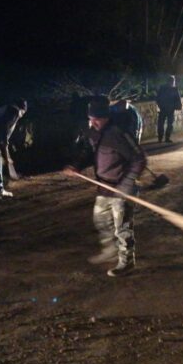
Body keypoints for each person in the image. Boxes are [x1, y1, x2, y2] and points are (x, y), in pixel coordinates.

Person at [63, 96, 147, 277]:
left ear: (106, 117)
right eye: (90, 119)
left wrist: (126, 184)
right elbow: (89, 152)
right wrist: (76, 165)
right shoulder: (94, 132)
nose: (93, 123)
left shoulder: (119, 133)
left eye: (97, 119)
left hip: (121, 190)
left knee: (122, 228)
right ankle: (110, 250)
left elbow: (139, 159)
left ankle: (127, 262)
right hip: (104, 187)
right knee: (101, 220)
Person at [155, 75, 182, 143]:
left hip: (165, 109)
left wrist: (160, 106)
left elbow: (158, 98)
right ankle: (165, 138)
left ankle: (161, 138)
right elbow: (178, 99)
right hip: (168, 109)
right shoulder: (173, 89)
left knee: (163, 124)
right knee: (167, 124)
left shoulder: (163, 88)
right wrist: (178, 106)